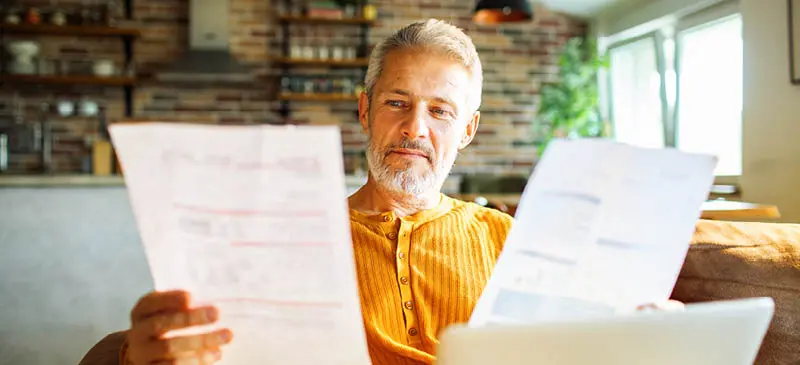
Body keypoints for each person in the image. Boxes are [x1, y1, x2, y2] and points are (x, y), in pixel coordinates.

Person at [115, 19, 678, 365]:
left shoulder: (509, 241)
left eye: (440, 111)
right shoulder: (288, 240)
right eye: (396, 103)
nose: (415, 129)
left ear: (468, 130)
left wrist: (643, 331)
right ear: (365, 110)